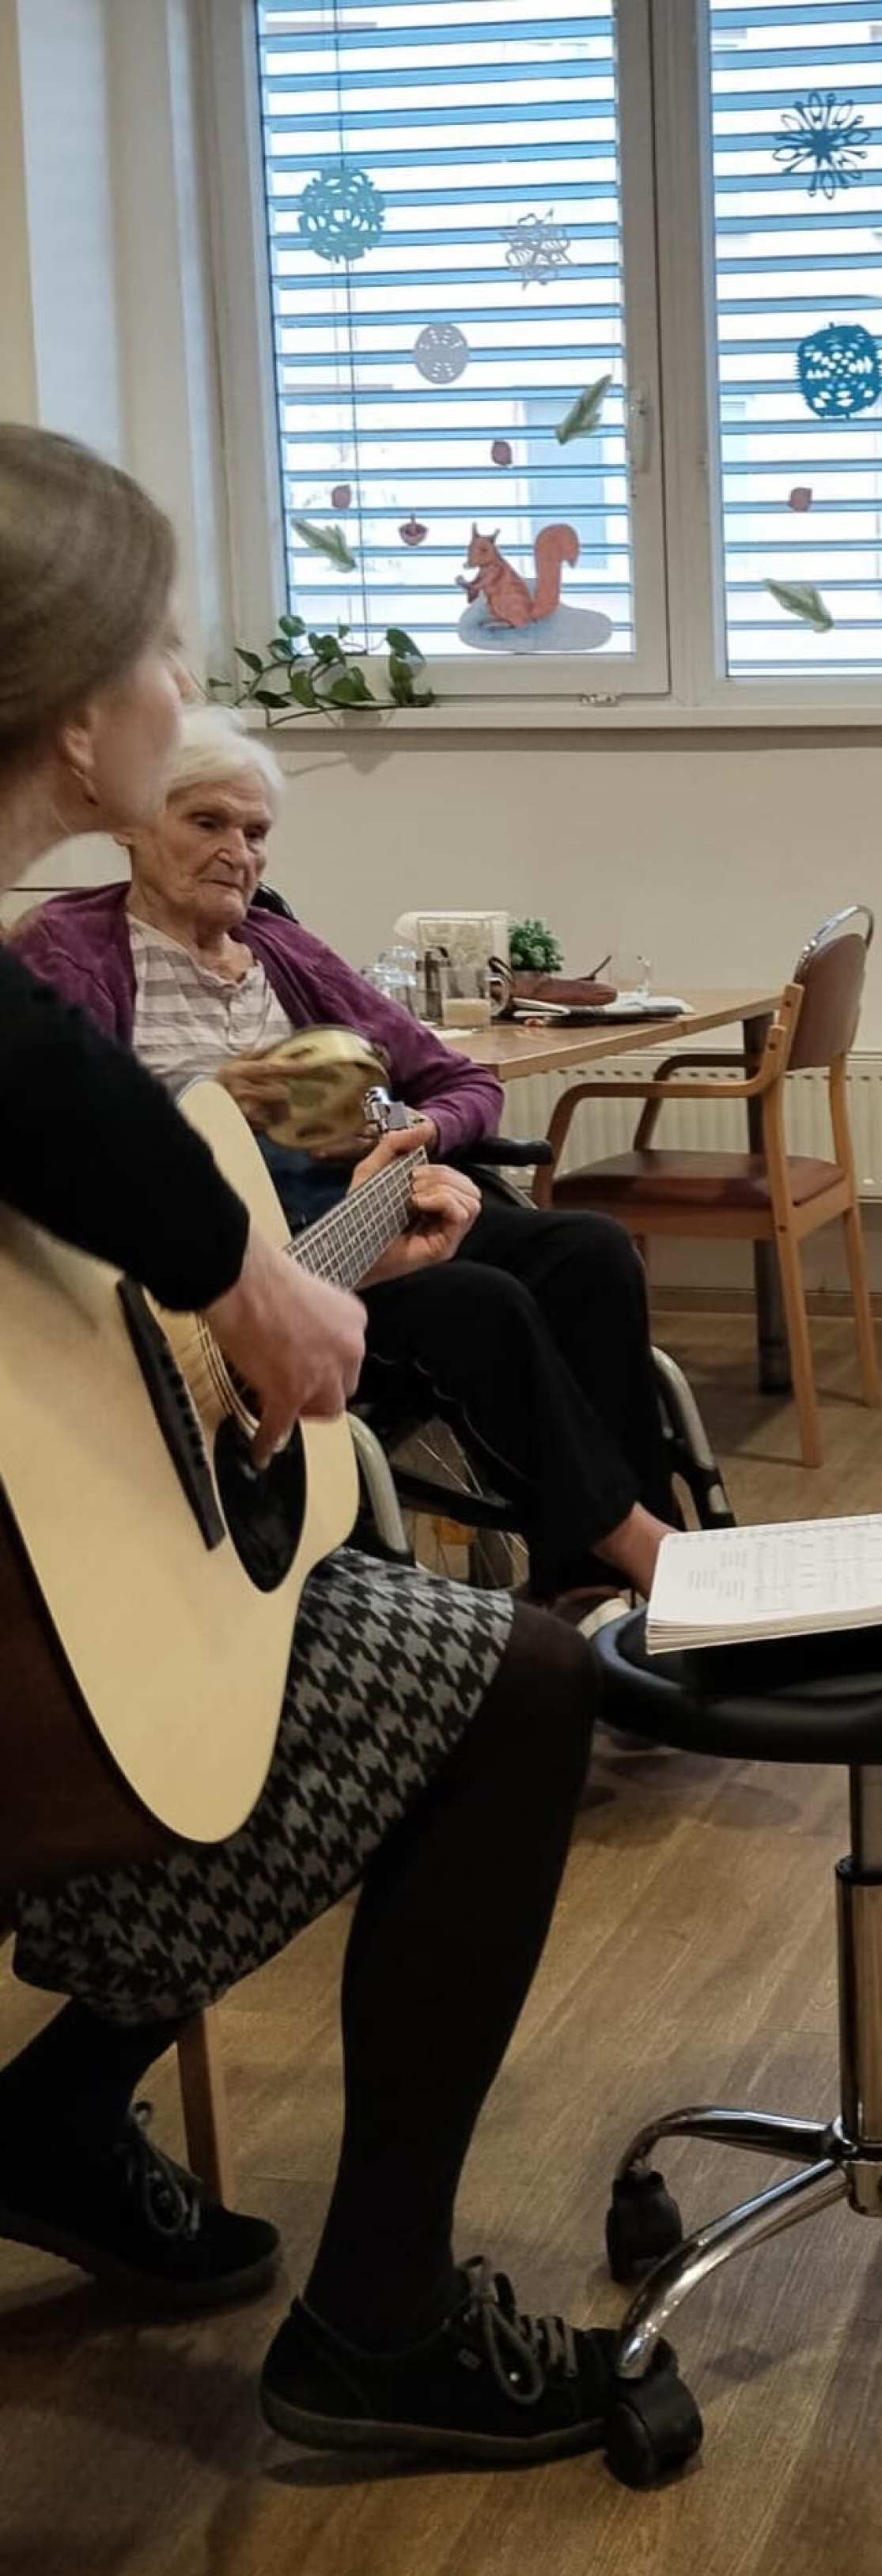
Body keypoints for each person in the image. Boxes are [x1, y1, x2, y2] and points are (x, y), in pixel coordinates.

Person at [0, 422, 616, 2462]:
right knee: (511, 1686)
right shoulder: (50, 959)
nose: (186, 681)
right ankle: (379, 2321)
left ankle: (58, 2113)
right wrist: (243, 1277)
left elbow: (63, 1109)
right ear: (77, 714)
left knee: (336, 1603)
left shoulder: (172, 963)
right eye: (165, 646)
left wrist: (269, 1267)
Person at [10, 705, 677, 1603]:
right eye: (206, 822)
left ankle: (594, 1579)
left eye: (255, 833)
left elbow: (460, 1081)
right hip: (237, 1272)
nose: (237, 853)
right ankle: (639, 1555)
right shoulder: (67, 949)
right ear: (132, 825)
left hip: (362, 1216)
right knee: (480, 1306)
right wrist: (216, 1099)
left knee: (590, 1250)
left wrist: (413, 1131)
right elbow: (66, 1130)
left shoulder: (280, 950)